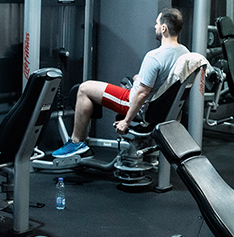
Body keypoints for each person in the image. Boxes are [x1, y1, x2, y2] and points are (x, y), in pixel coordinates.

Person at [53, 8, 189, 157]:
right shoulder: (185, 54)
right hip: (157, 104)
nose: (155, 27)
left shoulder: (154, 56)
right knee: (133, 78)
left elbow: (142, 94)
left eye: (157, 24)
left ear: (164, 28)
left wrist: (126, 121)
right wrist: (139, 79)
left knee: (84, 88)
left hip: (135, 103)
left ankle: (76, 142)